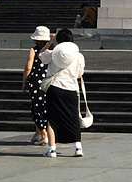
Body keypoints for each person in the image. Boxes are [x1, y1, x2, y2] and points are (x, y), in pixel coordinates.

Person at [40, 28, 85, 158]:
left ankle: (52, 149)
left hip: (54, 88)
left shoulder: (53, 53)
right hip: (71, 89)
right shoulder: (78, 56)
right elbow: (79, 74)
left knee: (52, 119)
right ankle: (78, 147)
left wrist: (49, 44)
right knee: (73, 117)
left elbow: (41, 56)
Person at [21, 26, 53, 145]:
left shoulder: (33, 50)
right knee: (44, 106)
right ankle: (39, 133)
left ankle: (43, 133)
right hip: (49, 81)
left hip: (36, 81)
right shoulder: (52, 50)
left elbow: (28, 67)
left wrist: (24, 82)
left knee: (36, 107)